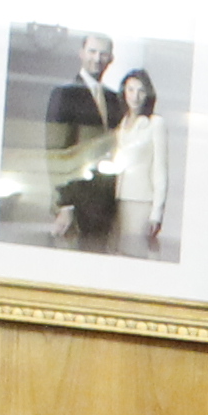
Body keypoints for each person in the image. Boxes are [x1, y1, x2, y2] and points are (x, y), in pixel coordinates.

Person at [44, 33, 122, 247]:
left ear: (111, 59)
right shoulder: (64, 94)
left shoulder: (114, 99)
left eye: (103, 54)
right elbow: (56, 153)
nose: (97, 59)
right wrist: (65, 205)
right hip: (76, 199)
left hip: (106, 200)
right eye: (92, 52)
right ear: (81, 54)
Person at [111, 67, 167, 259]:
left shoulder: (155, 123)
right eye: (131, 90)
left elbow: (160, 171)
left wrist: (157, 213)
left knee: (134, 252)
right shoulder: (121, 124)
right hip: (118, 200)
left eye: (141, 91)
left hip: (141, 202)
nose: (135, 96)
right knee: (118, 253)